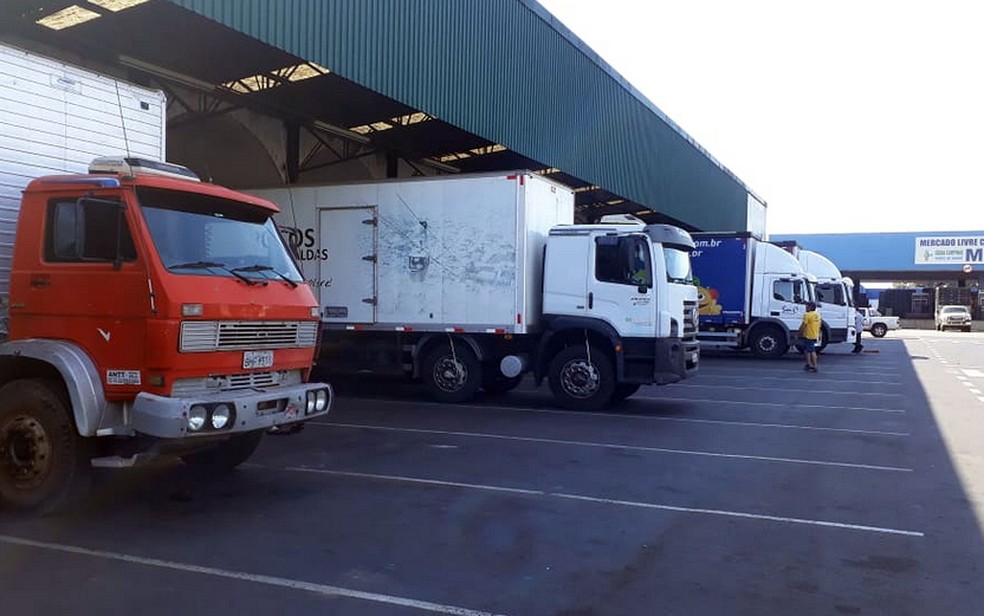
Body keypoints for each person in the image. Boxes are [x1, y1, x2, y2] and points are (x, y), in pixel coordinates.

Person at [799, 302, 821, 372]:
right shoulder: (817, 315)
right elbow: (819, 326)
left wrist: (799, 333)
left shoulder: (807, 315)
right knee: (807, 350)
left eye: (807, 306)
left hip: (809, 335)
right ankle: (808, 364)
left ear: (810, 307)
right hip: (814, 334)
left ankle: (815, 366)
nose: (805, 308)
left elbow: (803, 325)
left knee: (812, 350)